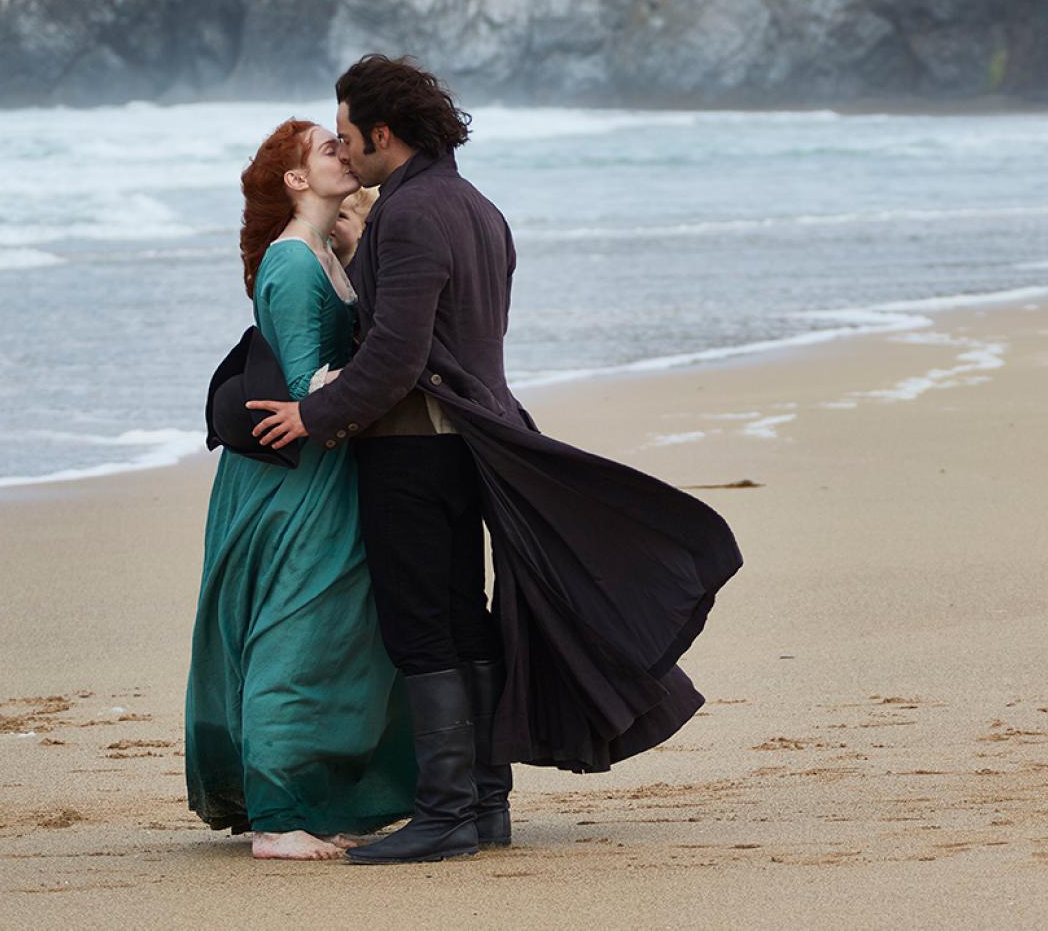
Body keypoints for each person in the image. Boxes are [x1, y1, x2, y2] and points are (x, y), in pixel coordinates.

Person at [249, 56, 742, 866]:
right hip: (468, 445)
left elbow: (396, 358)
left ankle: (446, 811)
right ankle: (483, 805)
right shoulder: (478, 207)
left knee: (422, 629)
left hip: (410, 451)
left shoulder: (409, 216)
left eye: (348, 136)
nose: (346, 150)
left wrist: (314, 413)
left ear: (382, 132)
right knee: (464, 619)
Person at [186, 119, 416, 861]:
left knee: (326, 635)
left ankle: (303, 802)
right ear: (295, 180)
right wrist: (400, 367)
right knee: (295, 632)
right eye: (328, 148)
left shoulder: (325, 250)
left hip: (323, 471)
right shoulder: (291, 262)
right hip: (294, 483)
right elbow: (304, 387)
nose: (343, 154)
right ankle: (280, 819)